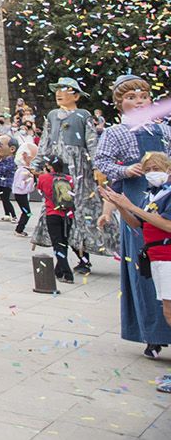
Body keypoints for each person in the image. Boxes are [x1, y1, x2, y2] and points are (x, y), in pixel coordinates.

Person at [94, 74, 171, 358]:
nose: (138, 102)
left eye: (143, 97)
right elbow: (101, 163)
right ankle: (152, 334)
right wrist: (126, 171)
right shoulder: (116, 133)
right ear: (119, 103)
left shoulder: (165, 131)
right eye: (131, 98)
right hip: (135, 203)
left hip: (165, 202)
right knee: (145, 269)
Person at [101, 155, 171, 394]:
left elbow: (168, 225)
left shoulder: (168, 193)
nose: (152, 172)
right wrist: (119, 205)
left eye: (157, 168)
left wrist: (130, 206)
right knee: (168, 311)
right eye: (148, 168)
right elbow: (138, 224)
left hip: (169, 256)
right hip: (158, 259)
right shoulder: (151, 195)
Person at [31, 77, 112, 271]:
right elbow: (45, 143)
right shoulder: (51, 115)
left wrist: (96, 167)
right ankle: (62, 257)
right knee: (56, 210)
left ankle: (82, 257)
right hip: (57, 169)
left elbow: (92, 142)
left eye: (64, 90)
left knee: (77, 212)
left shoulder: (83, 115)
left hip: (78, 170)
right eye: (57, 90)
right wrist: (37, 163)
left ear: (75, 95)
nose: (59, 94)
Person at [36, 156, 78, 282]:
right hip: (68, 215)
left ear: (49, 166)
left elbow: (40, 190)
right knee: (63, 243)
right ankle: (58, 271)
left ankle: (67, 273)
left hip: (52, 213)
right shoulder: (69, 179)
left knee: (57, 245)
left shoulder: (43, 178)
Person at [12, 142, 37, 236]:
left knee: (27, 212)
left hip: (22, 194)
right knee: (27, 213)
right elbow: (19, 184)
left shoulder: (25, 170)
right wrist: (29, 179)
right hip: (20, 194)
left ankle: (20, 228)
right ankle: (19, 229)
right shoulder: (22, 170)